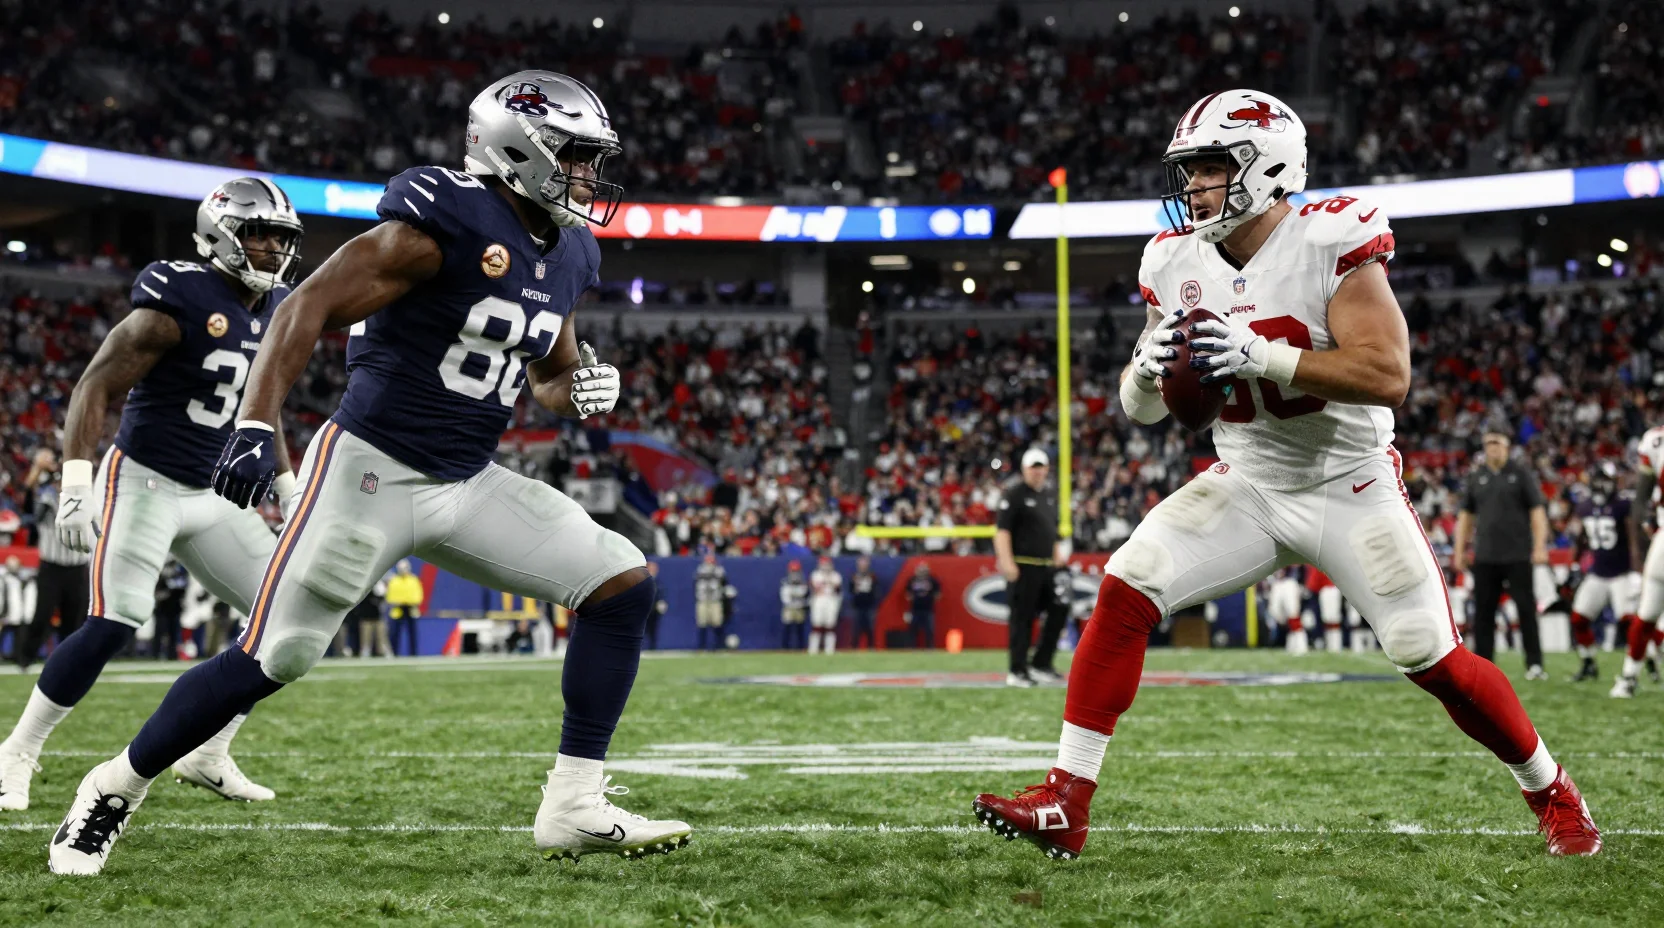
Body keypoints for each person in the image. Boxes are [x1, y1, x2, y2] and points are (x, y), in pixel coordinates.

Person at [49, 71, 688, 875]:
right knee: (272, 658)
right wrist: (255, 424)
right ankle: (112, 788)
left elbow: (550, 373)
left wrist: (583, 386)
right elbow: (303, 306)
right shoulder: (445, 220)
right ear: (519, 148)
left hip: (467, 478)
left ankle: (573, 804)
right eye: (577, 157)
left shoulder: (571, 252)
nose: (590, 176)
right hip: (369, 475)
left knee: (620, 581)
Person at [973, 89, 1598, 861]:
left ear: (1266, 167)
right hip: (1250, 479)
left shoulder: (1329, 237)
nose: (1194, 188)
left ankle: (1551, 789)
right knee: (1127, 583)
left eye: (1210, 169)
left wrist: (1261, 353)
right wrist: (1143, 372)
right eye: (1190, 170)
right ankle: (1066, 800)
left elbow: (1388, 372)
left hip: (1350, 482)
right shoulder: (1175, 260)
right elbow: (1144, 410)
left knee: (1429, 656)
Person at [0, 178, 300, 814]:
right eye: (261, 234)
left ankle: (210, 752)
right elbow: (96, 386)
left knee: (286, 615)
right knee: (115, 621)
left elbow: (263, 405)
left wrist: (289, 486)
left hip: (213, 491)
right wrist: (75, 482)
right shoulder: (181, 296)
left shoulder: (274, 310)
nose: (274, 249)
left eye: (282, 237)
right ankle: (18, 750)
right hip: (145, 481)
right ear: (223, 234)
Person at [1452, 428, 1549, 679]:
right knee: (1483, 614)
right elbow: (1465, 517)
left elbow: (1537, 511)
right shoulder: (1476, 477)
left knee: (1526, 610)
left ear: (1507, 446)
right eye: (1488, 443)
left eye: (1496, 443)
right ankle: (1483, 668)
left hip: (1517, 554)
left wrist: (1539, 546)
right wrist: (1460, 550)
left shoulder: (1521, 474)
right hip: (1485, 556)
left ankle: (1534, 664)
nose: (1492, 447)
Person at [995, 448, 1067, 687]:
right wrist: (1007, 562)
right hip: (1023, 566)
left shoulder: (1048, 494)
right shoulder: (1014, 494)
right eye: (1032, 467)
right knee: (1022, 619)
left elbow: (1053, 532)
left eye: (1040, 467)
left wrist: (1057, 558)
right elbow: (1002, 531)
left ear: (1046, 469)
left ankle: (1040, 664)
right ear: (1024, 469)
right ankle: (1017, 669)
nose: (1037, 472)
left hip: (1046, 567)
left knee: (1059, 610)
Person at [16, 449, 91, 671]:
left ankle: (69, 664)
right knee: (42, 615)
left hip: (77, 567)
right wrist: (37, 469)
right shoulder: (48, 499)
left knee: (74, 620)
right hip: (52, 567)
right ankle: (25, 659)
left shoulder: (87, 499)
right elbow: (30, 507)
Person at [1628, 426, 1664, 694]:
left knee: (1648, 613)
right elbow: (1640, 502)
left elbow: (1641, 501)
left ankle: (1629, 678)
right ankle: (1629, 677)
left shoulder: (1654, 439)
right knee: (1648, 613)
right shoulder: (1654, 440)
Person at [384, 559, 424, 656]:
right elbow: (390, 596)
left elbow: (418, 595)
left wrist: (410, 601)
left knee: (412, 634)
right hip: (397, 610)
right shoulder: (394, 580)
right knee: (395, 634)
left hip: (411, 609)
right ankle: (394, 653)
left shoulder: (413, 580)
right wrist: (398, 602)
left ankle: (413, 654)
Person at [808, 556, 843, 655]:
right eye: (823, 564)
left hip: (831, 600)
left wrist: (827, 581)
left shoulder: (836, 575)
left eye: (827, 564)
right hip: (819, 600)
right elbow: (816, 588)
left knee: (830, 625)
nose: (825, 566)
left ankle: (829, 649)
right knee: (817, 624)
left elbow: (837, 588)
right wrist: (827, 582)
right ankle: (813, 649)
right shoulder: (815, 575)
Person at [694, 554, 727, 651]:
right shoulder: (700, 569)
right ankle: (702, 646)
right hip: (703, 599)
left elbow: (724, 582)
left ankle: (718, 645)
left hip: (715, 599)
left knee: (717, 622)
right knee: (702, 622)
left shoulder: (719, 570)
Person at [904, 563, 940, 649]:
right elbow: (907, 593)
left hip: (928, 608)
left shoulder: (932, 580)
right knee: (913, 629)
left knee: (929, 630)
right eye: (920, 570)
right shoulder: (912, 580)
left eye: (924, 570)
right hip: (915, 608)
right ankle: (913, 647)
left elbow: (938, 594)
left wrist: (929, 599)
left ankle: (930, 647)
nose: (922, 572)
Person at [353, 578, 390, 658]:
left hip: (378, 616)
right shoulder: (364, 585)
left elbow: (383, 600)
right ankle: (365, 651)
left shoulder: (380, 585)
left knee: (381, 636)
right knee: (366, 637)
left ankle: (384, 651)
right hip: (365, 615)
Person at [849, 556, 878, 650]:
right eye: (861, 564)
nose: (863, 566)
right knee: (856, 628)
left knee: (870, 627)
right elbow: (850, 590)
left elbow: (876, 590)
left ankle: (871, 647)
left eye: (864, 564)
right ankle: (854, 647)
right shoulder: (854, 576)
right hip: (858, 605)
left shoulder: (872, 576)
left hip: (869, 605)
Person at [779, 560, 809, 650]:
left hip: (800, 607)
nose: (795, 573)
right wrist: (792, 601)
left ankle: (800, 647)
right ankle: (785, 648)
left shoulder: (803, 582)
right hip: (789, 607)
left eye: (796, 571)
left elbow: (804, 594)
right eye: (793, 571)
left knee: (800, 628)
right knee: (787, 628)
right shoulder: (785, 582)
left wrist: (800, 601)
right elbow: (784, 596)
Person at [643, 561, 666, 650]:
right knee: (643, 630)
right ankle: (642, 649)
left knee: (653, 630)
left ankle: (653, 648)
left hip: (654, 609)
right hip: (645, 609)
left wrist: (662, 602)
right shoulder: (643, 581)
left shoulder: (658, 582)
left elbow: (661, 594)